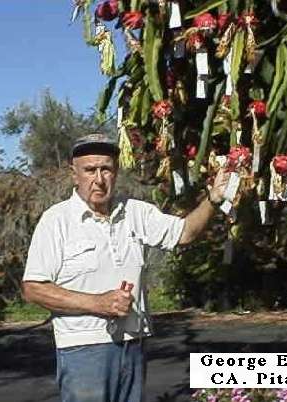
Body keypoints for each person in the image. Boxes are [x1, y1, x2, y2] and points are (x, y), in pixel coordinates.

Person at [21, 133, 228, 402]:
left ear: (116, 172)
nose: (99, 178)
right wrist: (97, 303)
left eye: (106, 169)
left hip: (133, 344)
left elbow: (184, 232)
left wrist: (213, 200)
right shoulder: (56, 221)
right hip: (83, 350)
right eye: (90, 170)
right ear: (74, 175)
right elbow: (33, 289)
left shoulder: (136, 213)